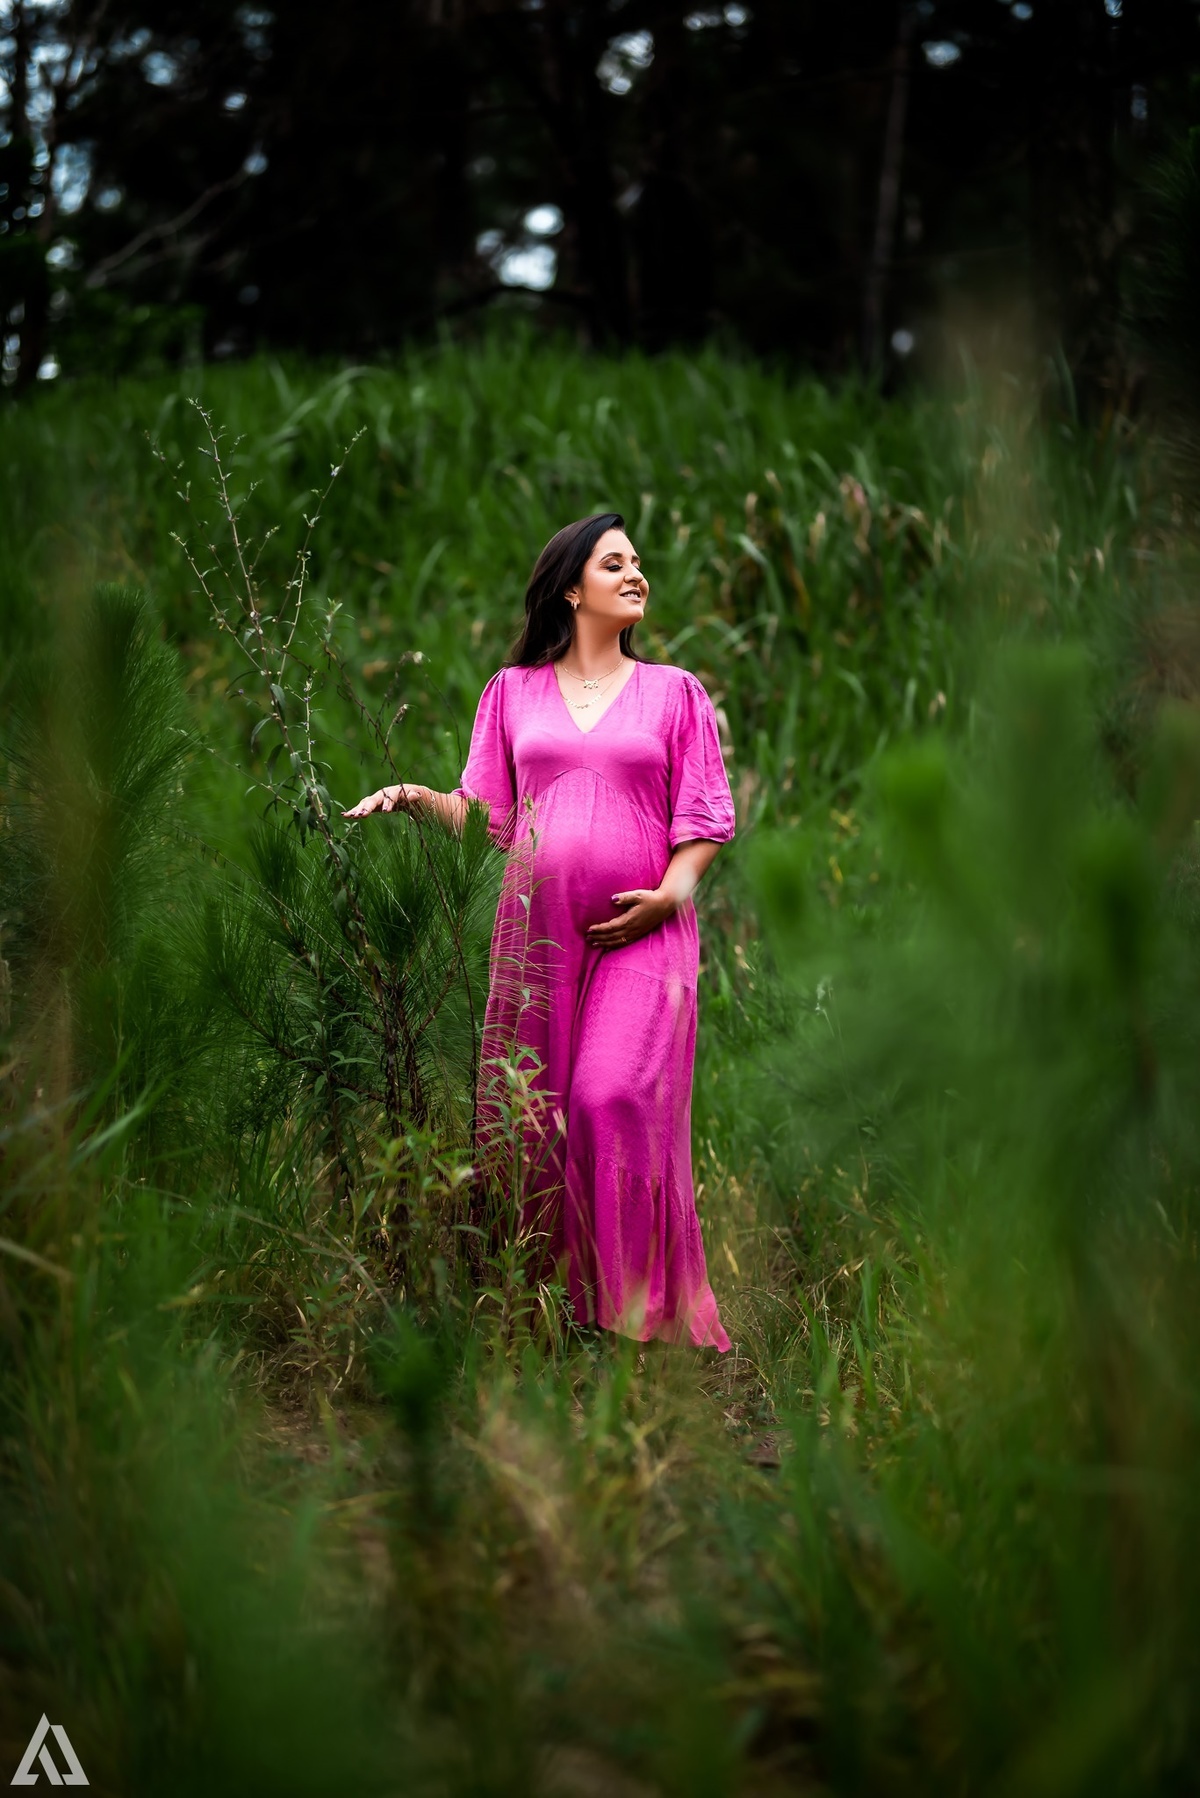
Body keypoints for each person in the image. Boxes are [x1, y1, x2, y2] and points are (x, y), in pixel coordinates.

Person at [344, 513, 734, 1351]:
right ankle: (547, 1310)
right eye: (614, 563)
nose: (637, 575)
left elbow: (703, 814)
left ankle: (632, 1315)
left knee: (609, 1096)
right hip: (538, 938)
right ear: (570, 587)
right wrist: (414, 796)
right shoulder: (511, 693)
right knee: (535, 1119)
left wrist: (672, 893)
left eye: (639, 564)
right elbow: (489, 815)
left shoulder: (675, 692)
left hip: (643, 932)